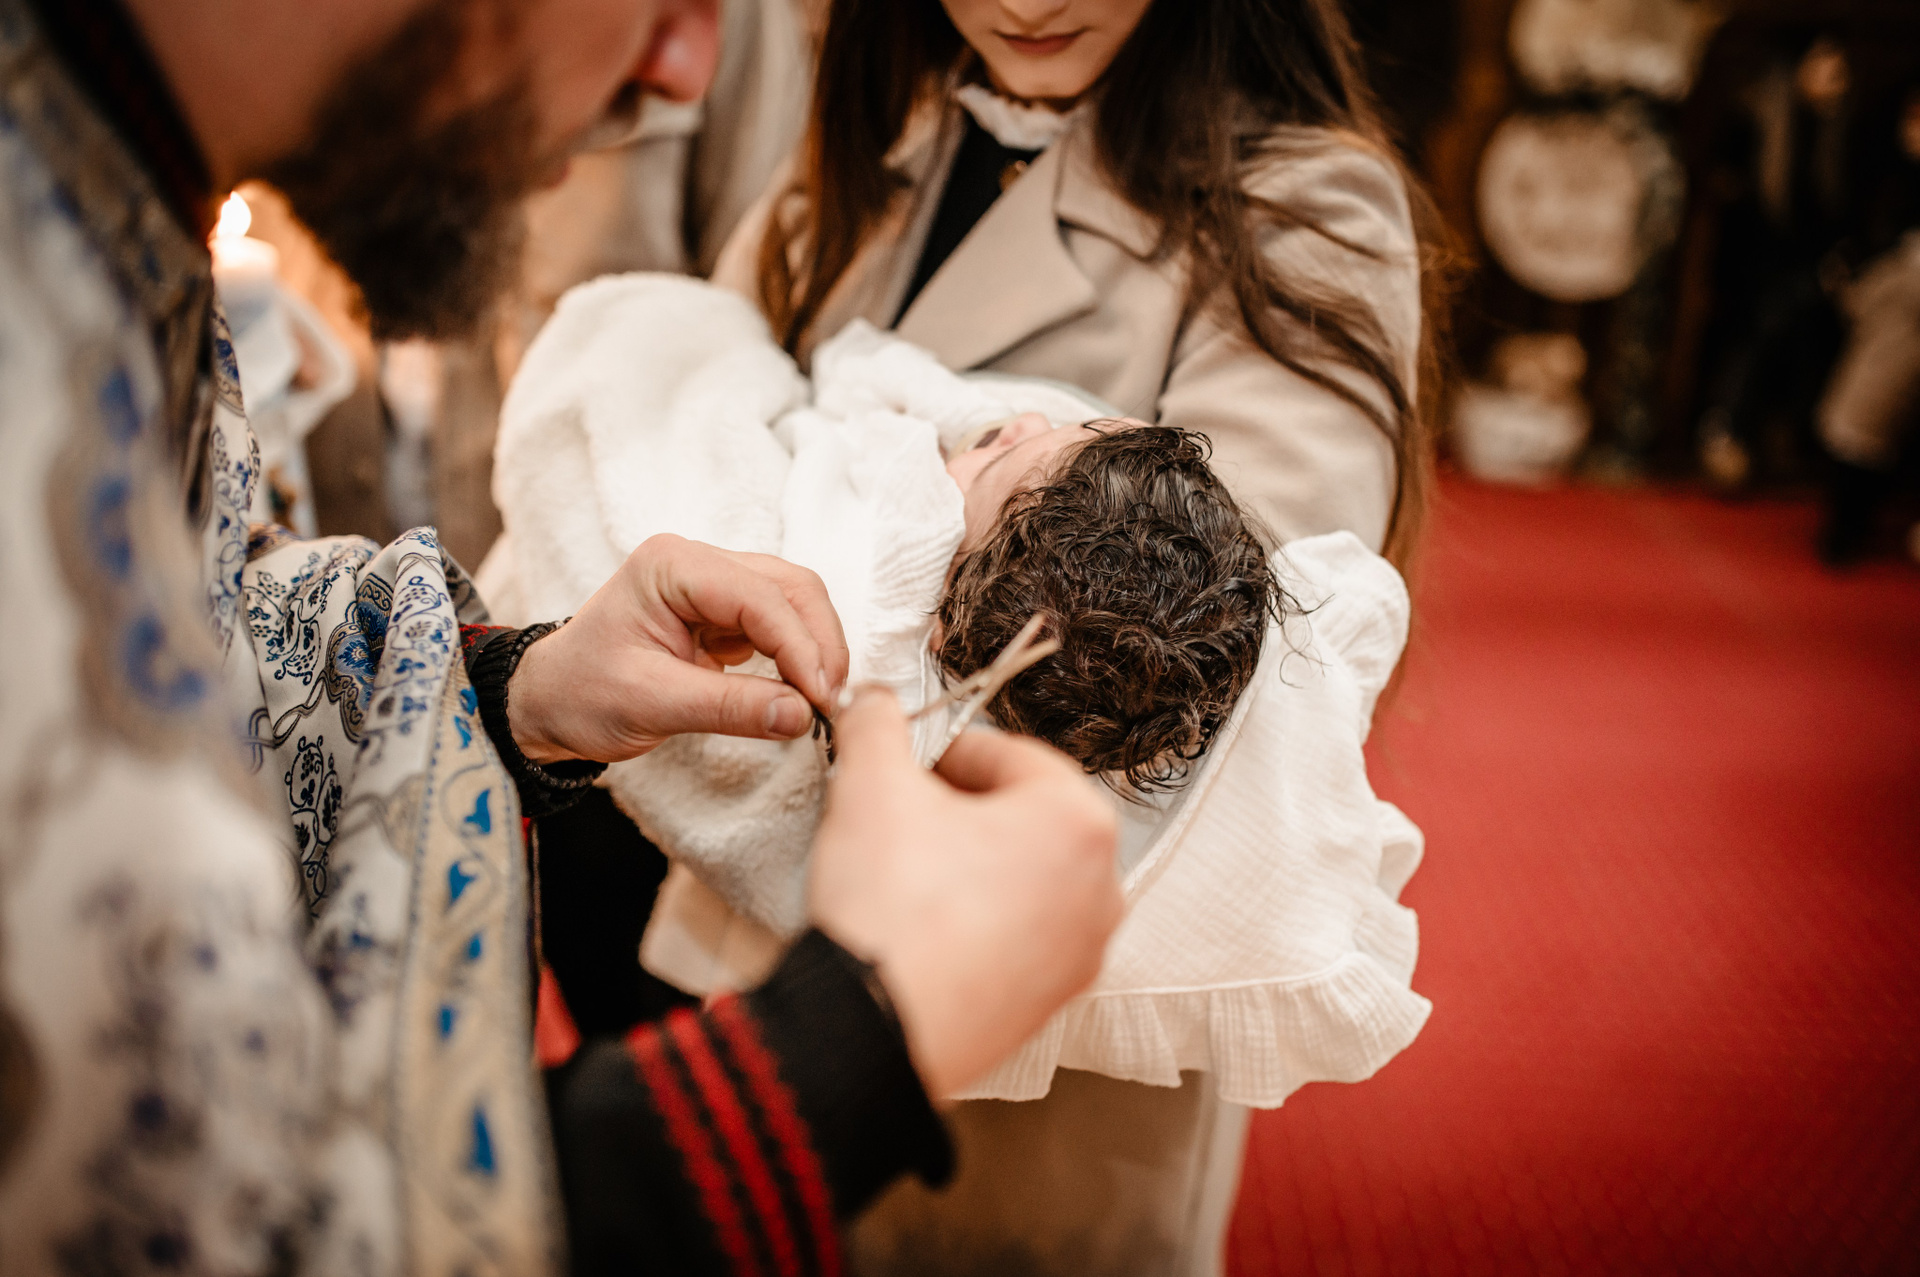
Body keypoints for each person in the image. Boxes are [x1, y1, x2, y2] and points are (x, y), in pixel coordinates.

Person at [0, 1, 1128, 1275]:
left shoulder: (86, 191)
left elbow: (186, 627)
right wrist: (851, 1043)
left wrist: (502, 682)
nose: (689, 67)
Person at [703, 1, 1439, 1270]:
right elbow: (713, 397)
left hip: (1038, 1027)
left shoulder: (1301, 208)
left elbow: (1224, 663)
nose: (1029, 2)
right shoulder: (877, 146)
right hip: (757, 964)